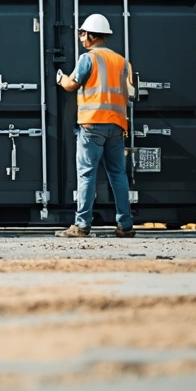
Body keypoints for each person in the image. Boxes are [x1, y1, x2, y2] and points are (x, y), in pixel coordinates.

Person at [55, 13, 136, 238]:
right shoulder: (122, 61)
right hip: (117, 126)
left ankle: (82, 225)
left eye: (82, 34)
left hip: (92, 124)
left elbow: (72, 85)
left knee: (87, 174)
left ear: (91, 35)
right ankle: (125, 225)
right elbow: (130, 92)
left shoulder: (87, 59)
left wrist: (60, 78)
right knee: (118, 174)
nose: (81, 38)